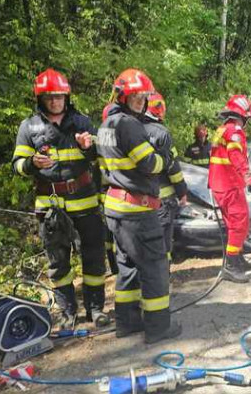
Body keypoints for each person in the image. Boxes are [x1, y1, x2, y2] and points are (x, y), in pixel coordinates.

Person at [12, 68, 108, 328]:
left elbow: (103, 157)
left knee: (94, 256)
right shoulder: (29, 127)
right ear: (40, 99)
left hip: (85, 201)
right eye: (49, 97)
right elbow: (17, 166)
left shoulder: (83, 123)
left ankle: (96, 309)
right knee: (58, 262)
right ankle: (67, 313)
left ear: (67, 97)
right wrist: (31, 163)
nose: (55, 101)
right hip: (50, 206)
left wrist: (90, 148)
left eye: (59, 96)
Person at [97, 68, 181, 344]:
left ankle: (127, 323)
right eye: (134, 97)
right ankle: (158, 327)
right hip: (137, 210)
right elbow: (149, 164)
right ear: (122, 97)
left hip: (116, 208)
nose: (139, 101)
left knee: (127, 266)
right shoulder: (129, 125)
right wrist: (165, 160)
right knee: (155, 265)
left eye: (142, 97)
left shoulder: (106, 125)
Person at [208, 95, 251, 283]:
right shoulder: (235, 130)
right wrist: (249, 177)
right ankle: (230, 265)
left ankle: (236, 257)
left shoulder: (222, 129)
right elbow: (235, 155)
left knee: (233, 223)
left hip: (220, 183)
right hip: (229, 183)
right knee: (240, 223)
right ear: (243, 115)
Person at [142, 92, 188, 260]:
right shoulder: (161, 133)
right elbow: (173, 168)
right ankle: (163, 277)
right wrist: (182, 191)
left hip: (136, 200)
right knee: (163, 244)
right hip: (161, 200)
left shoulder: (130, 129)